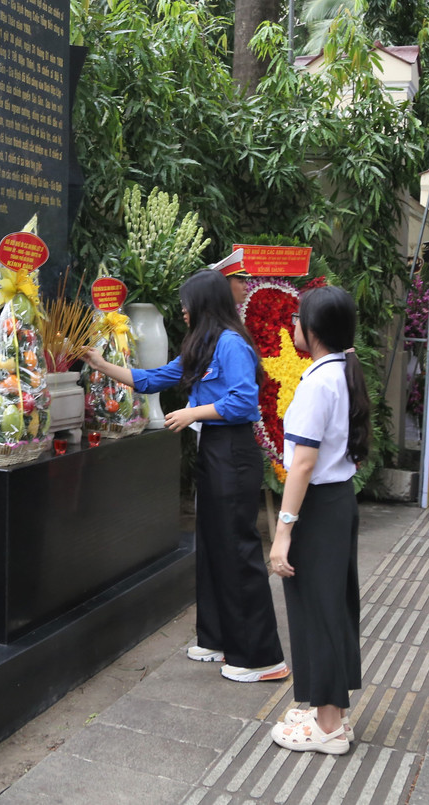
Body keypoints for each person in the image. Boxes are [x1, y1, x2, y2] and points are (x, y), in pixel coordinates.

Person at [85, 269, 287, 683]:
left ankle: (261, 657)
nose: (182, 309)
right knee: (212, 545)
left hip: (233, 449)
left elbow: (244, 400)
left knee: (237, 549)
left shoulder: (231, 344)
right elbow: (149, 380)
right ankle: (216, 638)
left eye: (186, 302)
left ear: (204, 304)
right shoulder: (202, 344)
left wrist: (193, 412)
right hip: (213, 449)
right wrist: (100, 363)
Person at [266, 286, 368, 756]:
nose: (292, 326)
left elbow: (303, 464)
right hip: (337, 501)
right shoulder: (341, 372)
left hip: (318, 505)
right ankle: (334, 715)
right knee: (333, 605)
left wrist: (283, 532)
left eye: (297, 319)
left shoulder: (318, 382)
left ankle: (327, 725)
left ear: (315, 330)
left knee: (318, 610)